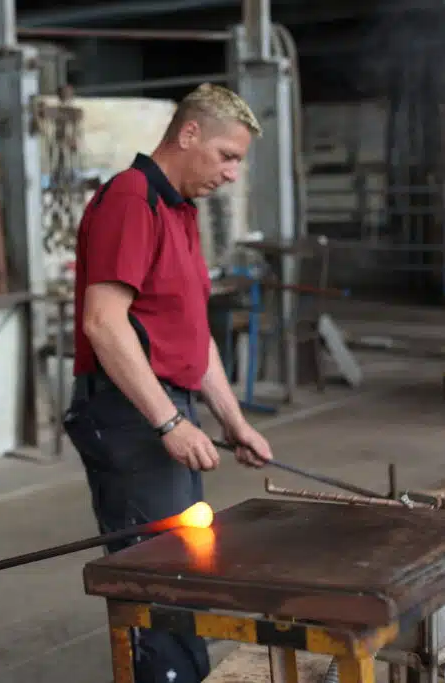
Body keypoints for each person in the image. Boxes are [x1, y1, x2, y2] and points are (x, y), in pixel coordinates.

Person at [63, 83, 275, 683]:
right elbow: (104, 323)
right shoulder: (131, 200)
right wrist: (168, 421)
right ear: (188, 136)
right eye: (226, 156)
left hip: (160, 409)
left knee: (185, 573)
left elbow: (190, 334)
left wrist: (233, 421)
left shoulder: (179, 210)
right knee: (161, 583)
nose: (231, 174)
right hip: (129, 417)